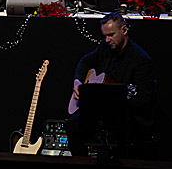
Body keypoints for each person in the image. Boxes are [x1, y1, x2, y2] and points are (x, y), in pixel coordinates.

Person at [66, 12, 155, 157]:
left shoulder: (140, 60)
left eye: (111, 35)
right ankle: (81, 168)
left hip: (127, 115)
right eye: (105, 36)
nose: (107, 40)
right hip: (101, 112)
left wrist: (114, 100)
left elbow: (143, 99)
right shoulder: (104, 47)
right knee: (72, 125)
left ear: (124, 30)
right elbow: (85, 61)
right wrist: (78, 81)